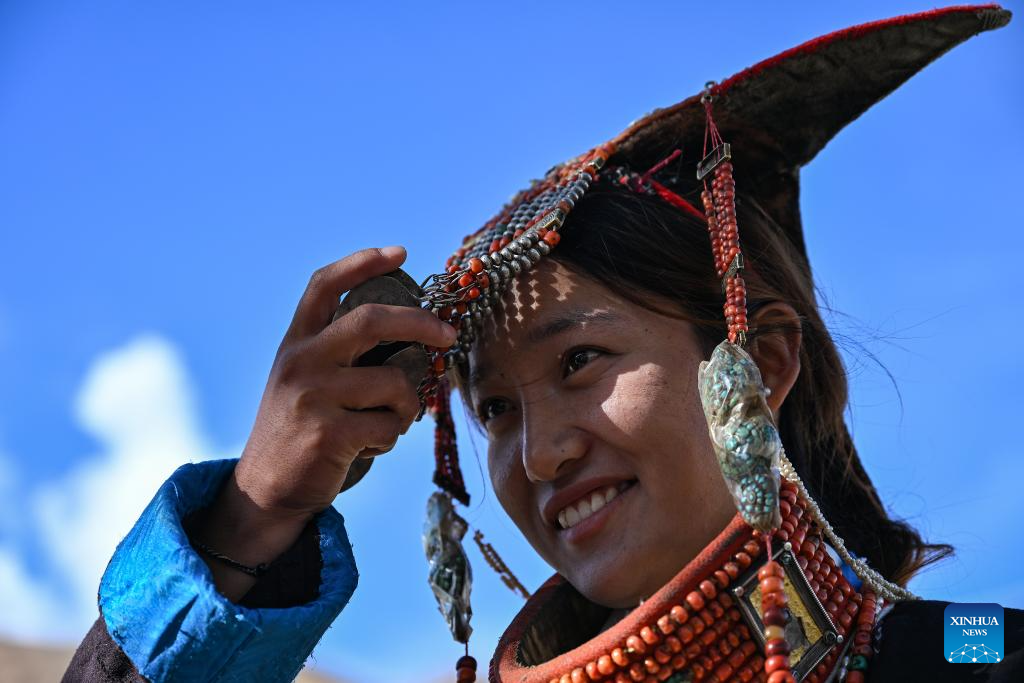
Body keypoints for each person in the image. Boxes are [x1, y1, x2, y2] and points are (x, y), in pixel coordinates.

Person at [63, 5, 1022, 683]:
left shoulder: (968, 649)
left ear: (762, 363)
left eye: (579, 363)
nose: (540, 451)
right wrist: (253, 513)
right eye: (493, 409)